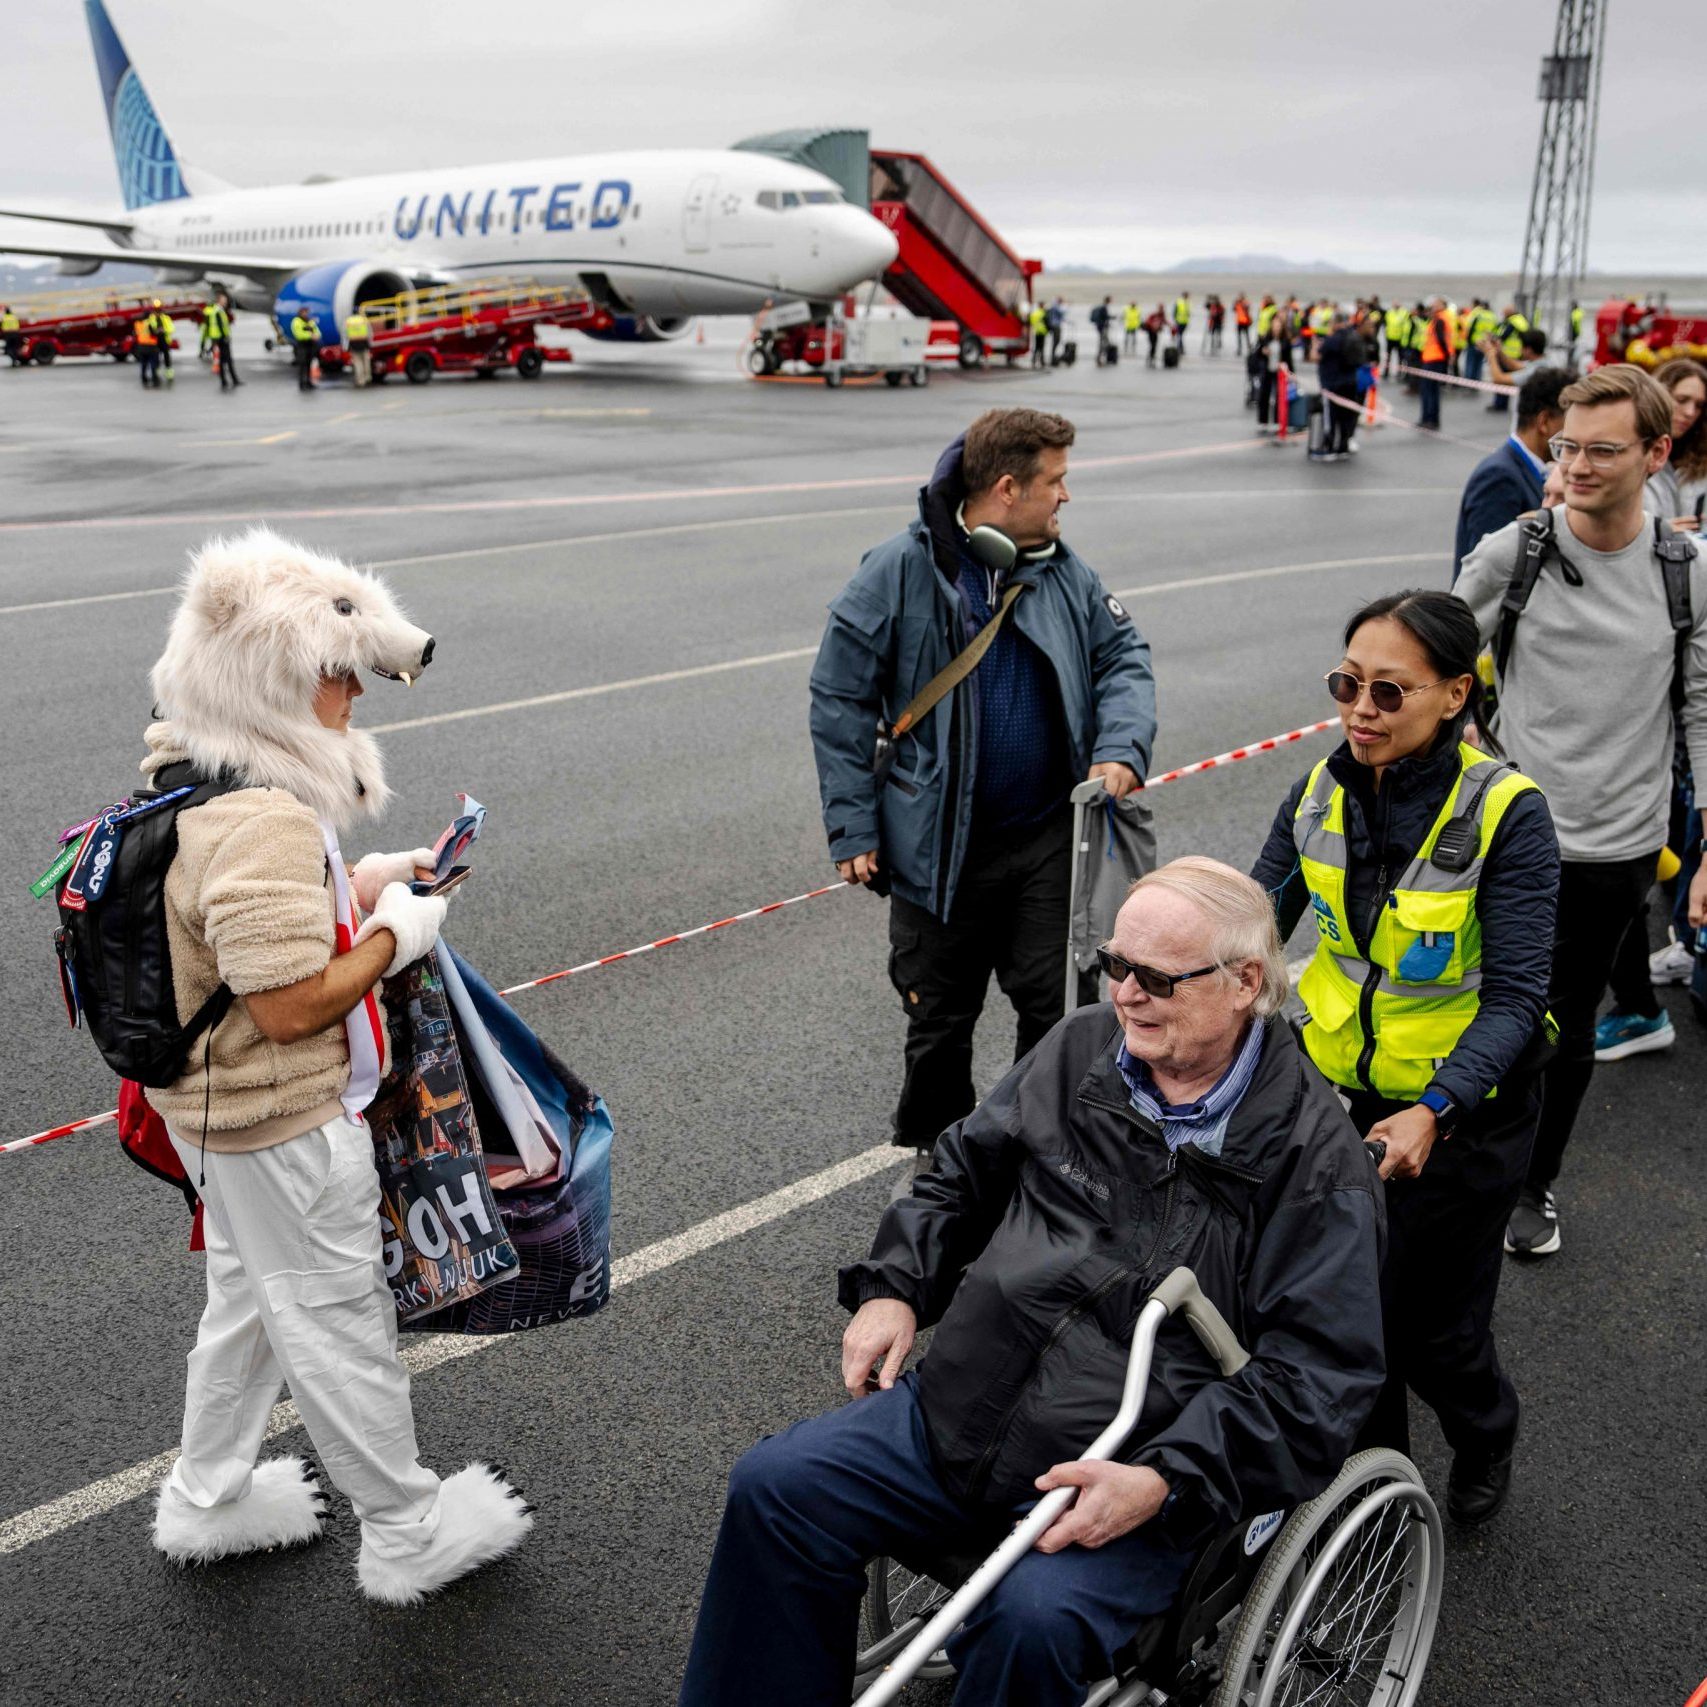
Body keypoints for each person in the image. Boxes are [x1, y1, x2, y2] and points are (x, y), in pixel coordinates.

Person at [676, 860, 1386, 1707]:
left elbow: (1317, 1379)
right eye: (1115, 965)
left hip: (1130, 1470)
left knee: (1028, 1623)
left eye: (1156, 977)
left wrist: (1159, 1479)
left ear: (1245, 982)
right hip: (965, 1408)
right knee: (777, 1488)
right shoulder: (1082, 1047)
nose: (1125, 993)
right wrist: (894, 1285)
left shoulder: (1317, 1162)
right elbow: (956, 1176)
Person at [140, 527, 533, 1600]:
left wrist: (368, 880)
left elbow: (242, 926)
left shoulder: (198, 780)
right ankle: (407, 1532)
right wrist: (395, 937)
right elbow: (283, 1004)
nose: (354, 694)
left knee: (251, 1306)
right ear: (277, 680)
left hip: (216, 1117)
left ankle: (206, 1496)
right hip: (280, 1118)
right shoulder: (264, 817)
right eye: (339, 677)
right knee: (335, 1319)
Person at [1252, 591, 1558, 1523]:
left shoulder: (1509, 814)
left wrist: (1435, 1109)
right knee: (1341, 1310)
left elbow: (1515, 1000)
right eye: (1347, 684)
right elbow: (1248, 926)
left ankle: (1485, 1426)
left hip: (1464, 1110)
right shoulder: (1315, 791)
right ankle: (1373, 1489)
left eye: (1389, 691)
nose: (1360, 709)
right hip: (1339, 1093)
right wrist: (1163, 967)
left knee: (1431, 1328)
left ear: (1455, 694)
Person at [808, 408, 1156, 1173]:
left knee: (1057, 1008)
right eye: (1054, 482)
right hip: (939, 850)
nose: (1064, 497)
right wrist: (853, 827)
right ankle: (939, 1167)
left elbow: (1123, 654)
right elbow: (838, 697)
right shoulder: (896, 571)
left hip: (1044, 840)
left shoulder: (1064, 569)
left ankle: (1041, 1153)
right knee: (938, 1021)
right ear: (1006, 488)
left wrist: (1120, 746)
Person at [1457, 364, 1707, 1258]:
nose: (1579, 465)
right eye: (1567, 446)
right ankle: (1463, 1158)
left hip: (1620, 848)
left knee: (1559, 1026)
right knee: (1483, 1007)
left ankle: (1531, 1181)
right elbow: (1438, 663)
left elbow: (1701, 705)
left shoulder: (1687, 571)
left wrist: (1706, 838)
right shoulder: (1513, 549)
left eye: (1604, 450)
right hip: (1508, 837)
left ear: (1656, 453)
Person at [1451, 363, 1571, 578]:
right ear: (1544, 422)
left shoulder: (1534, 468)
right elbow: (1489, 569)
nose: (1575, 434)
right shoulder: (1500, 477)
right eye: (1570, 423)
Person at [1315, 310, 1369, 458]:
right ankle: (1343, 446)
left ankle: (1330, 446)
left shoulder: (1333, 339)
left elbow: (1317, 354)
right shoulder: (1353, 336)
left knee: (1331, 417)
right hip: (1350, 381)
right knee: (1347, 416)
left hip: (1333, 383)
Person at [1415, 297, 1453, 431]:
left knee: (1429, 391)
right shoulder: (1438, 319)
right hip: (1433, 358)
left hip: (1434, 359)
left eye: (1436, 304)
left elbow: (1442, 340)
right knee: (1431, 391)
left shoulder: (1440, 319)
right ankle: (1429, 419)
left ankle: (1429, 419)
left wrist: (1446, 358)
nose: (1432, 306)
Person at [202, 295, 240, 390]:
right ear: (219, 301)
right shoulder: (218, 311)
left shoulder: (216, 310)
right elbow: (220, 325)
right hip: (221, 338)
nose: (225, 302)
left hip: (217, 337)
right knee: (227, 360)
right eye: (224, 300)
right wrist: (225, 336)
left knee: (222, 361)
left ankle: (225, 381)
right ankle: (232, 380)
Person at [290, 305, 320, 391]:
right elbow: (299, 334)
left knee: (308, 364)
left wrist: (316, 335)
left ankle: (308, 382)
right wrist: (311, 335)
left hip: (310, 345)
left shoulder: (310, 321)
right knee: (302, 365)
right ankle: (301, 383)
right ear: (300, 313)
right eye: (304, 312)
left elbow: (317, 330)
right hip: (302, 345)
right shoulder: (297, 321)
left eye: (307, 312)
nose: (306, 314)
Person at [146, 299, 176, 385]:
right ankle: (156, 373)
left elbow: (171, 328)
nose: (157, 312)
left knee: (166, 357)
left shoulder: (166, 318)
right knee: (156, 358)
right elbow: (149, 329)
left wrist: (164, 330)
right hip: (155, 341)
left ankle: (169, 373)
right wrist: (156, 331)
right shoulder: (151, 318)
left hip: (164, 340)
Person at [344, 305, 374, 388]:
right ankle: (368, 378)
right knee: (366, 362)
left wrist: (345, 346)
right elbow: (370, 332)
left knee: (358, 363)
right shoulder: (364, 320)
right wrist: (370, 343)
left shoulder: (348, 321)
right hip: (364, 342)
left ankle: (361, 381)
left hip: (354, 343)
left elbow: (345, 334)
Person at [1090, 296, 1113, 366]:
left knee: (1103, 342)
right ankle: (1100, 357)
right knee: (1103, 342)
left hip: (1100, 327)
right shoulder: (1104, 307)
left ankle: (1101, 357)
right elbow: (1105, 317)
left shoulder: (1102, 306)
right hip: (1103, 327)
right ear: (1108, 300)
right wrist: (1112, 317)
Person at [1030, 299, 1049, 369]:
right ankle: (1042, 361)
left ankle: (1033, 361)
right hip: (1042, 332)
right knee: (1041, 348)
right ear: (1042, 305)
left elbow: (1031, 321)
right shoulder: (1043, 313)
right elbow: (1047, 322)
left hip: (1036, 331)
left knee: (1036, 347)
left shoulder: (1035, 313)